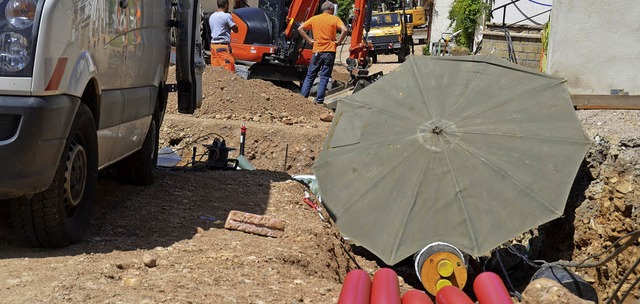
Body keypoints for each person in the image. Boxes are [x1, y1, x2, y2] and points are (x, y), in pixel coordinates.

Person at [298, 1, 348, 104]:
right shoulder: (335, 19)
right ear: (330, 9)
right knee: (325, 76)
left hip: (317, 51)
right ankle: (319, 100)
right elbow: (345, 30)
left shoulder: (314, 19)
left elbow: (300, 28)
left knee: (310, 75)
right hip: (330, 51)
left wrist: (309, 40)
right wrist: (338, 42)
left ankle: (302, 99)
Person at [209, 0, 238, 72]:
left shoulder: (212, 16)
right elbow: (236, 29)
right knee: (228, 71)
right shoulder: (227, 16)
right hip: (222, 47)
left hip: (213, 47)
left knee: (216, 72)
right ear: (226, 5)